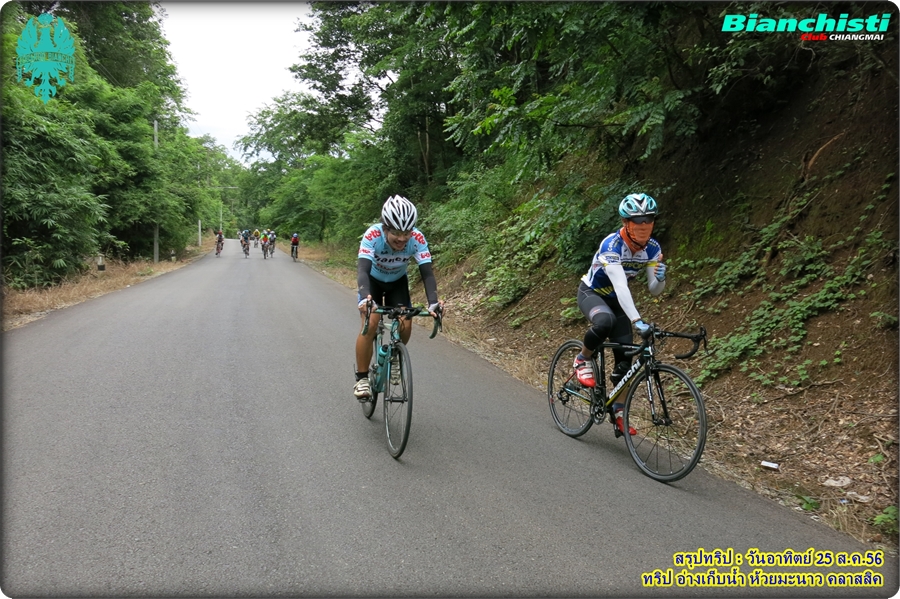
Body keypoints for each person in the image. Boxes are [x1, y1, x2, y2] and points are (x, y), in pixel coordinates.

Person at [573, 193, 667, 436]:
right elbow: (621, 286)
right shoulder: (612, 245)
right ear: (626, 222)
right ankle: (582, 358)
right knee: (605, 321)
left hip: (617, 302)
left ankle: (619, 411)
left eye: (648, 220)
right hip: (592, 294)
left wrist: (660, 278)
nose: (644, 225)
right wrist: (637, 321)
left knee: (626, 359)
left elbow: (654, 290)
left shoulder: (652, 248)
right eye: (637, 221)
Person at [353, 195, 443, 399]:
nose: (402, 239)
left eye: (406, 233)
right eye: (396, 233)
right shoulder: (372, 235)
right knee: (371, 321)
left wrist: (433, 303)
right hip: (373, 282)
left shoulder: (417, 238)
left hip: (397, 283)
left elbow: (427, 274)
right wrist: (365, 298)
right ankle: (362, 378)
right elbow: (362, 270)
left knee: (405, 322)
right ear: (385, 229)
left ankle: (395, 359)